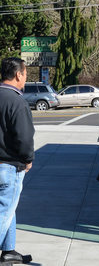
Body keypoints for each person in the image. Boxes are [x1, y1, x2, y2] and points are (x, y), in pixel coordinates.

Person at [0, 57, 34, 264]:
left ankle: (9, 251)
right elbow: (24, 138)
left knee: (8, 208)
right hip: (9, 166)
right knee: (4, 212)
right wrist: (28, 159)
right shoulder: (17, 101)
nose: (25, 79)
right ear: (18, 74)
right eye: (25, 74)